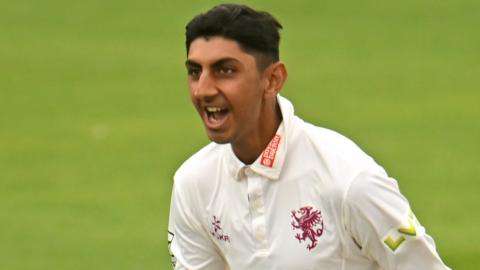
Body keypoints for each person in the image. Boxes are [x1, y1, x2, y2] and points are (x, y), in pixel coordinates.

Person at [167, 4, 451, 270]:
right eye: (195, 71)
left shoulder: (351, 181)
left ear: (273, 80)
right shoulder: (193, 183)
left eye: (225, 70)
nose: (202, 90)